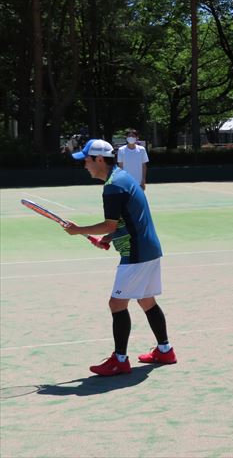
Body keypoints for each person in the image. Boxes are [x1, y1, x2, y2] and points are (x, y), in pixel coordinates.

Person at [66, 139, 176, 376]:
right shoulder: (122, 178)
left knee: (116, 304)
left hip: (137, 252)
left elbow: (110, 223)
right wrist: (109, 238)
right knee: (146, 300)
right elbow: (127, 220)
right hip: (149, 249)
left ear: (99, 159)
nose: (84, 165)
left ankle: (120, 360)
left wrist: (79, 230)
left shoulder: (113, 186)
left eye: (86, 160)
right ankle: (165, 350)